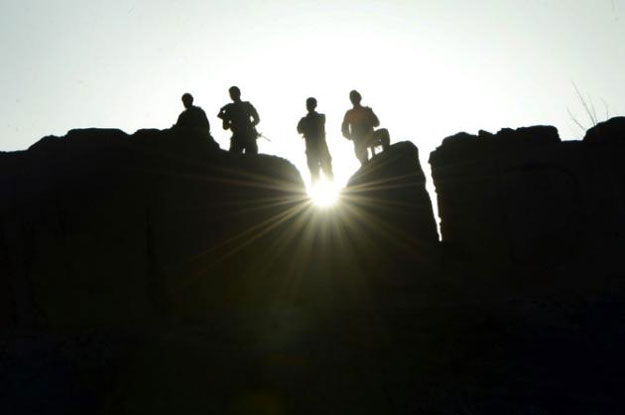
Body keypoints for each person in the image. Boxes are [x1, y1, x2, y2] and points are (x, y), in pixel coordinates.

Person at [297, 97, 334, 183]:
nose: (308, 106)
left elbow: (300, 129)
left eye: (309, 104)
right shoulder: (318, 118)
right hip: (315, 149)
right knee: (318, 174)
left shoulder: (319, 117)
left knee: (323, 173)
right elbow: (299, 130)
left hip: (318, 149)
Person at [341, 90, 380, 165]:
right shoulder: (350, 114)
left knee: (384, 133)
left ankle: (385, 153)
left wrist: (371, 114)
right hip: (359, 142)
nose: (355, 99)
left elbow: (376, 123)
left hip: (370, 137)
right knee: (364, 161)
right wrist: (351, 137)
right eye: (353, 98)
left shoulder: (366, 110)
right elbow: (344, 130)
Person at [217, 86, 260, 154]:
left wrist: (246, 127)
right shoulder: (231, 108)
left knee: (248, 160)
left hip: (244, 137)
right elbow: (257, 119)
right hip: (242, 137)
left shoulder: (230, 108)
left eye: (233, 93)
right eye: (231, 94)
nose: (232, 95)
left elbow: (225, 127)